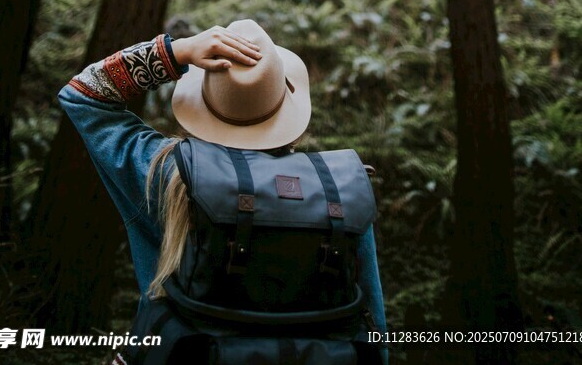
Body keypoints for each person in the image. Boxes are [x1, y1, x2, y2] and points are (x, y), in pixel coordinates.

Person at [59, 18, 387, 363]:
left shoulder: (168, 175)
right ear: (285, 100)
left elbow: (84, 94)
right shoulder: (337, 187)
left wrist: (176, 51)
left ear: (204, 103)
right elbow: (373, 325)